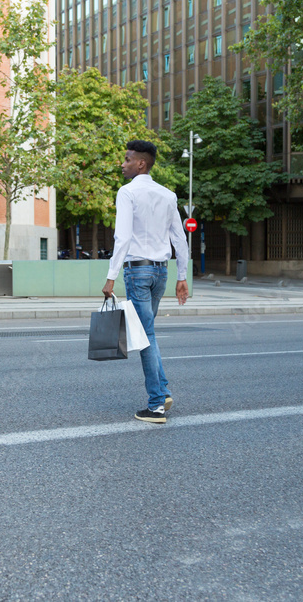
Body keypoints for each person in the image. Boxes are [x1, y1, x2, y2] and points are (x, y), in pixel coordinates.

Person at [102, 140, 190, 424]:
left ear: (141, 163)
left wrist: (110, 276)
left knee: (145, 337)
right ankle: (162, 391)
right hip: (160, 273)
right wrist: (182, 276)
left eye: (127, 159)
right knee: (148, 333)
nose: (123, 164)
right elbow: (179, 239)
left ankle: (156, 405)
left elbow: (122, 237)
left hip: (137, 271)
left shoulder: (127, 193)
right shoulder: (168, 195)